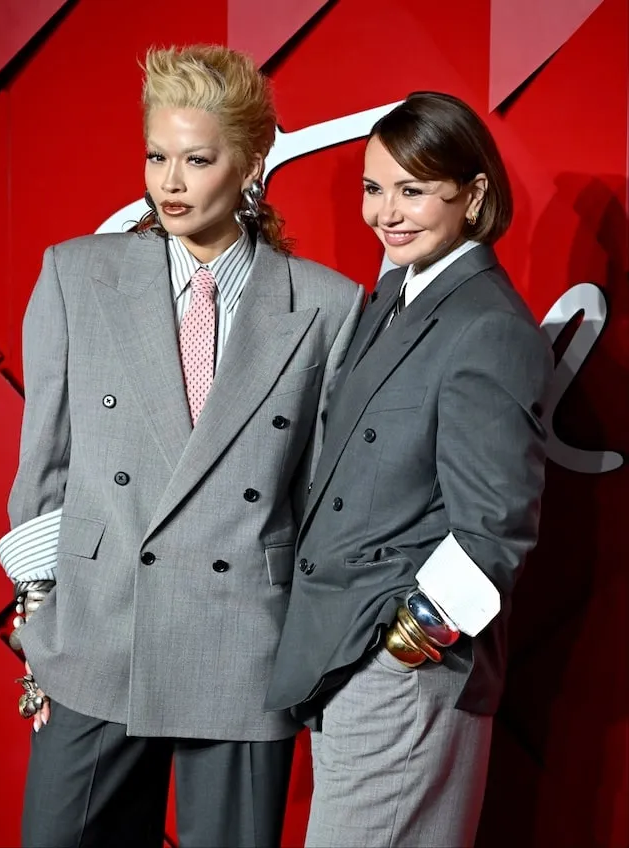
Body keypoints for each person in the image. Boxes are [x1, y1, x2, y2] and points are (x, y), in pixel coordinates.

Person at [0, 45, 364, 848]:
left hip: (241, 642)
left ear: (252, 162)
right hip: (99, 633)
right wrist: (40, 626)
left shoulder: (329, 307)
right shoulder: (74, 276)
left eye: (197, 160)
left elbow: (321, 496)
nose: (170, 182)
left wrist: (310, 647)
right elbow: (43, 468)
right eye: (157, 156)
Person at [265, 91, 555, 848]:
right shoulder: (398, 291)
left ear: (474, 193)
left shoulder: (486, 325)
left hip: (403, 676)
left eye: (414, 189)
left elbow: (495, 527)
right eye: (374, 187)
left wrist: (401, 649)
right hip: (345, 660)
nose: (386, 212)